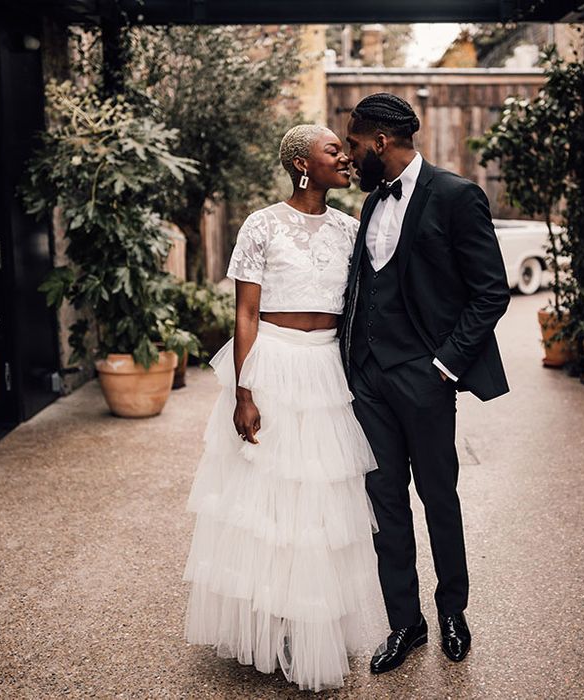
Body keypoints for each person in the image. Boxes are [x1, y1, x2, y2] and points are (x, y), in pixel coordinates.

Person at [182, 124, 385, 692]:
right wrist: (245, 391)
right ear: (301, 163)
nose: (344, 157)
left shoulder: (351, 228)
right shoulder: (262, 225)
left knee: (319, 500)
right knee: (266, 500)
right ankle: (269, 623)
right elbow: (246, 314)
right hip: (272, 364)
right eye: (332, 151)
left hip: (325, 370)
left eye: (344, 150)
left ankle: (310, 619)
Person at [340, 93, 511, 674]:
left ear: (380, 143)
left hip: (426, 376)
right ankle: (404, 623)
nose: (352, 156)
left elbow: (491, 292)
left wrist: (444, 365)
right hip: (369, 380)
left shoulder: (457, 195)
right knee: (385, 503)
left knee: (439, 497)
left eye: (356, 145)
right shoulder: (368, 205)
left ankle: (453, 612)